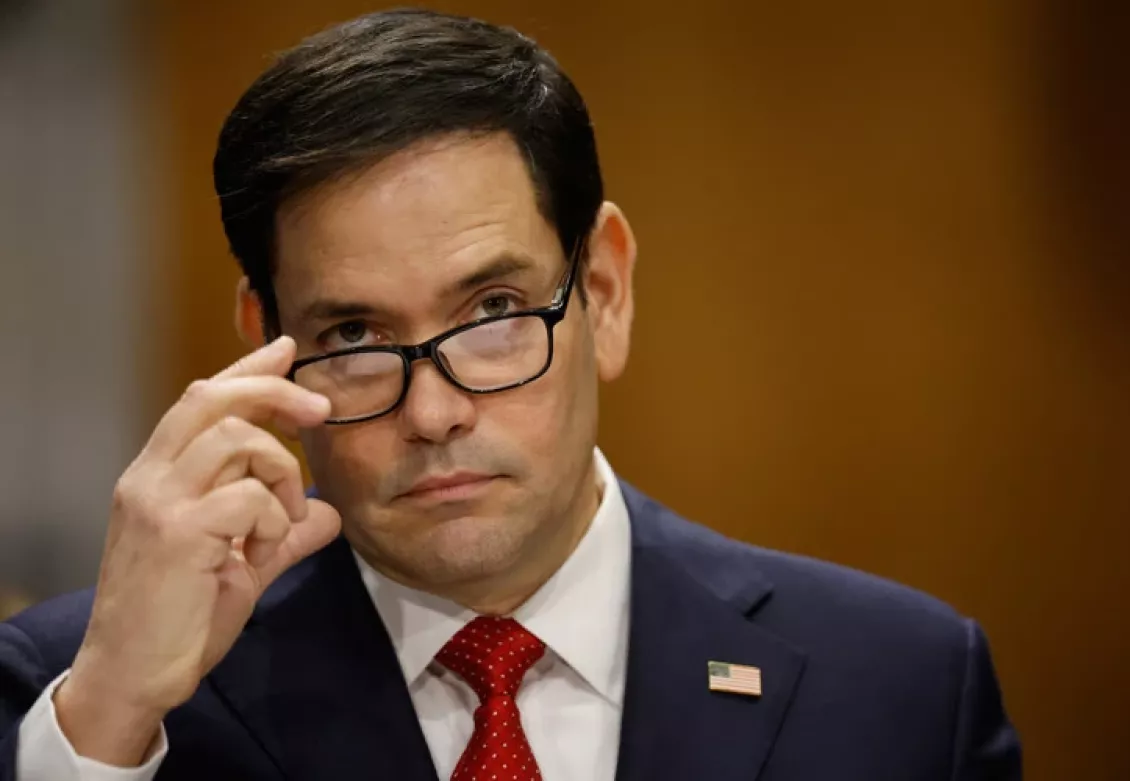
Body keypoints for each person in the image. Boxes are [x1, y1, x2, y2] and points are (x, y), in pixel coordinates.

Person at [0, 9, 1020, 780]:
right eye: (353, 336)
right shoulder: (90, 697)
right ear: (265, 347)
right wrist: (110, 721)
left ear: (604, 292)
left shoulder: (901, 686)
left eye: (492, 310)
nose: (433, 413)